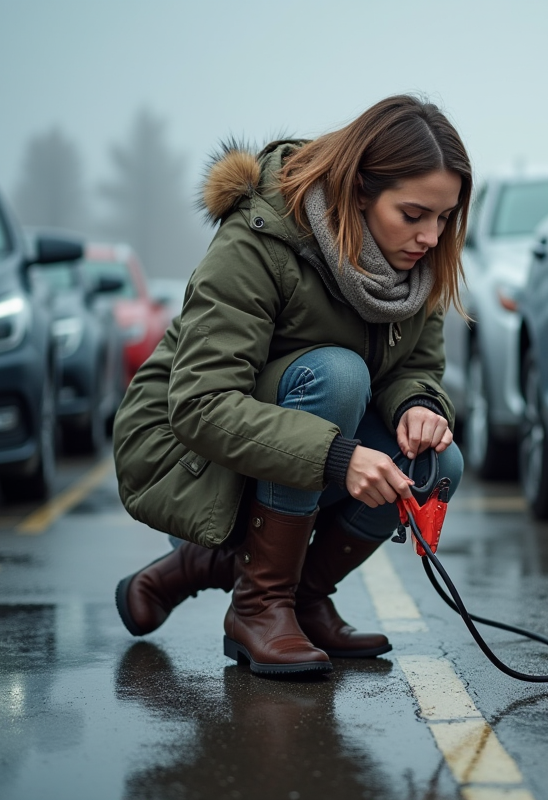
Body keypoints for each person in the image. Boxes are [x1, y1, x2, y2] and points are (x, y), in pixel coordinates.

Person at [110, 95, 471, 678]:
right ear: (358, 191)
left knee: (438, 462)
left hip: (288, 437)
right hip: (184, 446)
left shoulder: (416, 265)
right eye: (413, 214)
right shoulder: (262, 235)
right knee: (337, 374)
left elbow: (415, 368)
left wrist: (419, 406)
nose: (431, 236)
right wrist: (338, 456)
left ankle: (291, 599)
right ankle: (259, 606)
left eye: (445, 217)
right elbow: (200, 403)